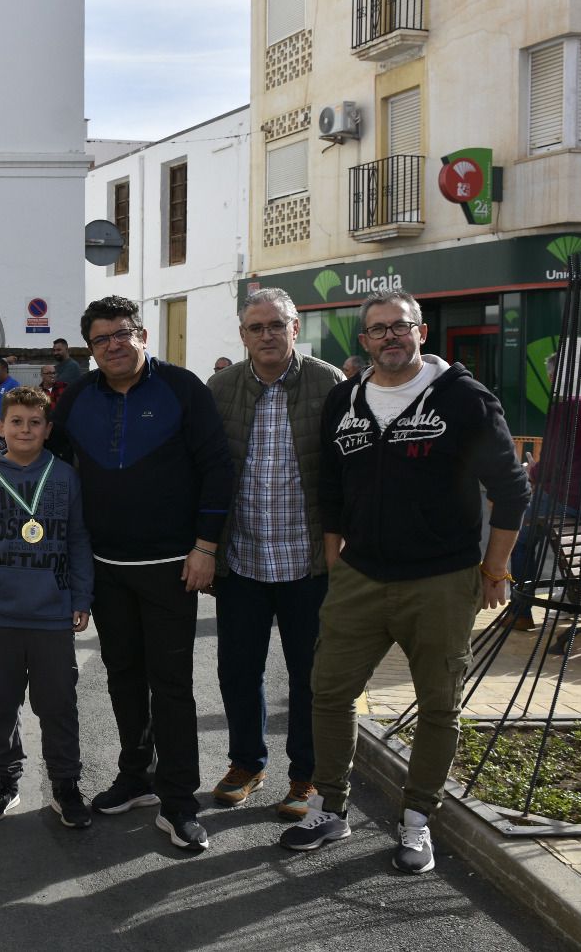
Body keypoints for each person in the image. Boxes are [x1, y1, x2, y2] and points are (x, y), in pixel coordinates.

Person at [0, 295, 233, 852]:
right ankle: (136, 775)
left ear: (142, 336)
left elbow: (216, 469)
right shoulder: (81, 395)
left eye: (122, 334)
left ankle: (179, 799)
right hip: (106, 567)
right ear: (89, 349)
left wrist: (206, 546)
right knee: (123, 676)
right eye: (101, 338)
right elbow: (36, 444)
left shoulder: (184, 390)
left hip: (171, 567)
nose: (113, 345)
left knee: (172, 684)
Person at [281, 289, 529, 875]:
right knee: (328, 692)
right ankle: (328, 807)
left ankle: (418, 821)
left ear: (420, 333)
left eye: (399, 327)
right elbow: (332, 488)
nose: (389, 337)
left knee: (438, 705)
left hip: (442, 579)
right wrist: (335, 554)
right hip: (360, 577)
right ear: (363, 341)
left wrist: (494, 569)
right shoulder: (345, 400)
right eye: (377, 330)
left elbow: (512, 489)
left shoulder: (465, 399)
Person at [206, 288, 342, 821]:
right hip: (242, 562)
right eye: (256, 327)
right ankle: (246, 764)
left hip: (309, 563)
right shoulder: (220, 388)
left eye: (276, 325)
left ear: (295, 327)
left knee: (310, 675)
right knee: (239, 671)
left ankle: (305, 776)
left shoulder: (329, 383)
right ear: (242, 335)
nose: (267, 335)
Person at [0, 385, 94, 826]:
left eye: (34, 422)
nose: (25, 429)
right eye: (16, 422)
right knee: (0, 703)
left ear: (48, 429)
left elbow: (78, 541)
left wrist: (81, 597)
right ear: (0, 427)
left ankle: (65, 784)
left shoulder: (65, 476)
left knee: (58, 705)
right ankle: (5, 779)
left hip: (51, 615)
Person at [504, 352, 581, 631]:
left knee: (518, 539)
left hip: (569, 498)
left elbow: (554, 464)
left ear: (561, 378)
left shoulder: (568, 409)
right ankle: (569, 595)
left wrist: (532, 470)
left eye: (553, 378)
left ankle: (520, 610)